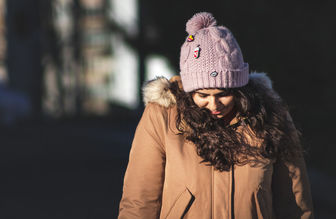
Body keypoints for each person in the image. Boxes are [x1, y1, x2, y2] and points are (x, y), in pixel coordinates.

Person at [118, 12, 314, 219]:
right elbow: (140, 199)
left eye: (223, 94)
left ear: (239, 89)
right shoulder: (162, 117)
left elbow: (295, 201)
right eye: (202, 95)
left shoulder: (271, 115)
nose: (213, 104)